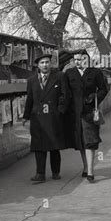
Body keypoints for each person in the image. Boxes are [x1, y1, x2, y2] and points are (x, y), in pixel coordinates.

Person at [22, 51, 69, 183]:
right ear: (38, 65)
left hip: (54, 117)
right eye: (42, 63)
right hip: (37, 118)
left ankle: (55, 172)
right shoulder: (31, 80)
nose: (45, 65)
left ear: (50, 63)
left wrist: (60, 111)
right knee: (39, 146)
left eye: (47, 62)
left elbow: (65, 96)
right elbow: (30, 99)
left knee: (54, 146)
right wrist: (26, 116)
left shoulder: (59, 76)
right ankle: (40, 173)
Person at [65, 50, 108, 182]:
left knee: (90, 141)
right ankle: (85, 166)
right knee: (81, 142)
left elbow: (104, 89)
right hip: (75, 113)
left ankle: (90, 171)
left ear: (87, 59)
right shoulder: (69, 73)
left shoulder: (95, 73)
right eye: (75, 59)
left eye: (80, 59)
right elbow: (65, 92)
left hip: (90, 112)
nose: (77, 62)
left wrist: (95, 97)